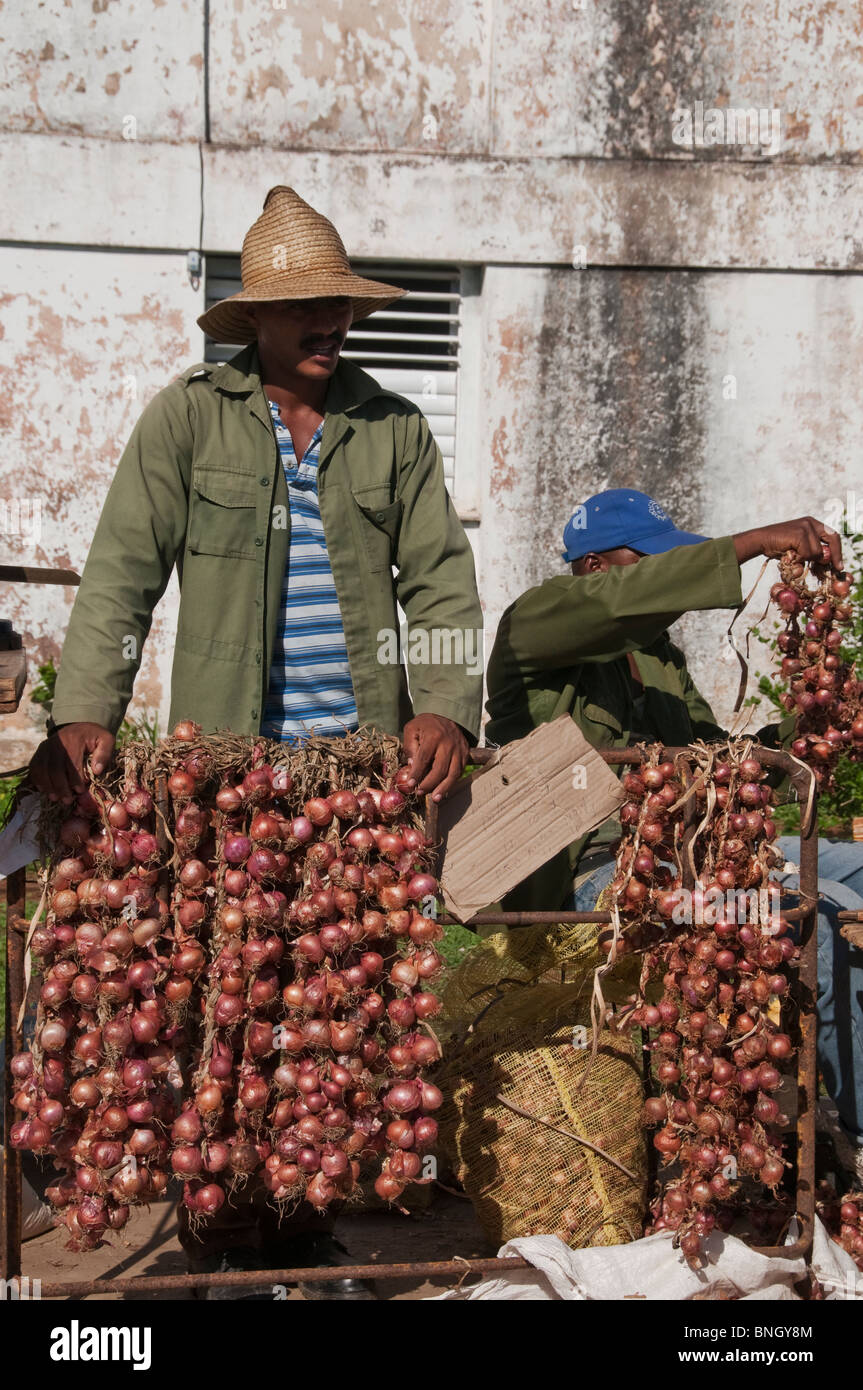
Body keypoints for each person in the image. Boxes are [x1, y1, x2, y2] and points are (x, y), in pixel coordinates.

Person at [29, 186, 484, 1298]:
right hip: (227, 777)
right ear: (257, 323)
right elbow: (123, 570)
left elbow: (439, 580)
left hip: (356, 774)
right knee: (223, 993)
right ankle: (220, 1216)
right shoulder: (188, 419)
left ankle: (308, 1209)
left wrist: (445, 706)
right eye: (306, 312)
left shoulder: (393, 429)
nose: (329, 326)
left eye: (339, 309)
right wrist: (83, 704)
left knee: (335, 996)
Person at [485, 489, 863, 1167]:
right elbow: (617, 606)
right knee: (820, 917)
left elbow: (718, 764)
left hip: (688, 859)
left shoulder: (657, 660)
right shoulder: (535, 622)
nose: (673, 584)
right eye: (652, 563)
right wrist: (751, 541)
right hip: (602, 880)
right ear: (597, 567)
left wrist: (801, 733)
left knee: (855, 873)